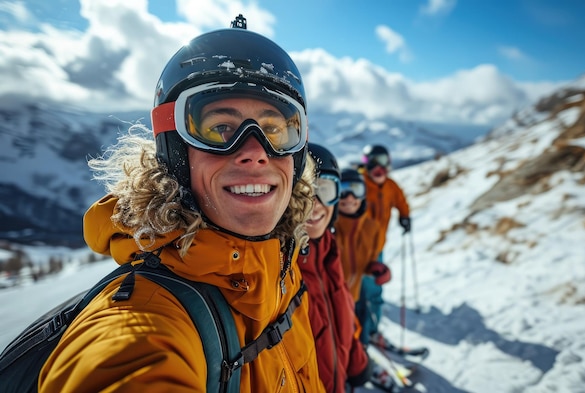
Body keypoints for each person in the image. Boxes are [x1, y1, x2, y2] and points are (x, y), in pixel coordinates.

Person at [39, 15, 325, 392]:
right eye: (221, 129)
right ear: (175, 150)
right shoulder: (142, 323)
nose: (256, 153)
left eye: (275, 130)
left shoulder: (283, 267)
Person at [297, 143, 371, 392]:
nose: (315, 205)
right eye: (302, 193)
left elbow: (343, 315)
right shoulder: (279, 265)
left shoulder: (328, 249)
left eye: (325, 190)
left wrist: (357, 362)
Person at [359, 144, 411, 343]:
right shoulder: (360, 184)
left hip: (378, 248)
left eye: (383, 162)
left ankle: (370, 330)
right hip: (357, 249)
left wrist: (405, 215)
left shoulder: (390, 186)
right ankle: (363, 333)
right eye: (373, 163)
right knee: (363, 293)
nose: (378, 169)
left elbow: (401, 200)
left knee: (374, 292)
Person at [334, 168, 389, 345]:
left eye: (356, 190)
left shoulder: (372, 228)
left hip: (355, 297)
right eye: (343, 190)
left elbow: (368, 260)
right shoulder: (327, 226)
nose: (349, 197)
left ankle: (363, 354)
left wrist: (375, 268)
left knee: (358, 332)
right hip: (332, 299)